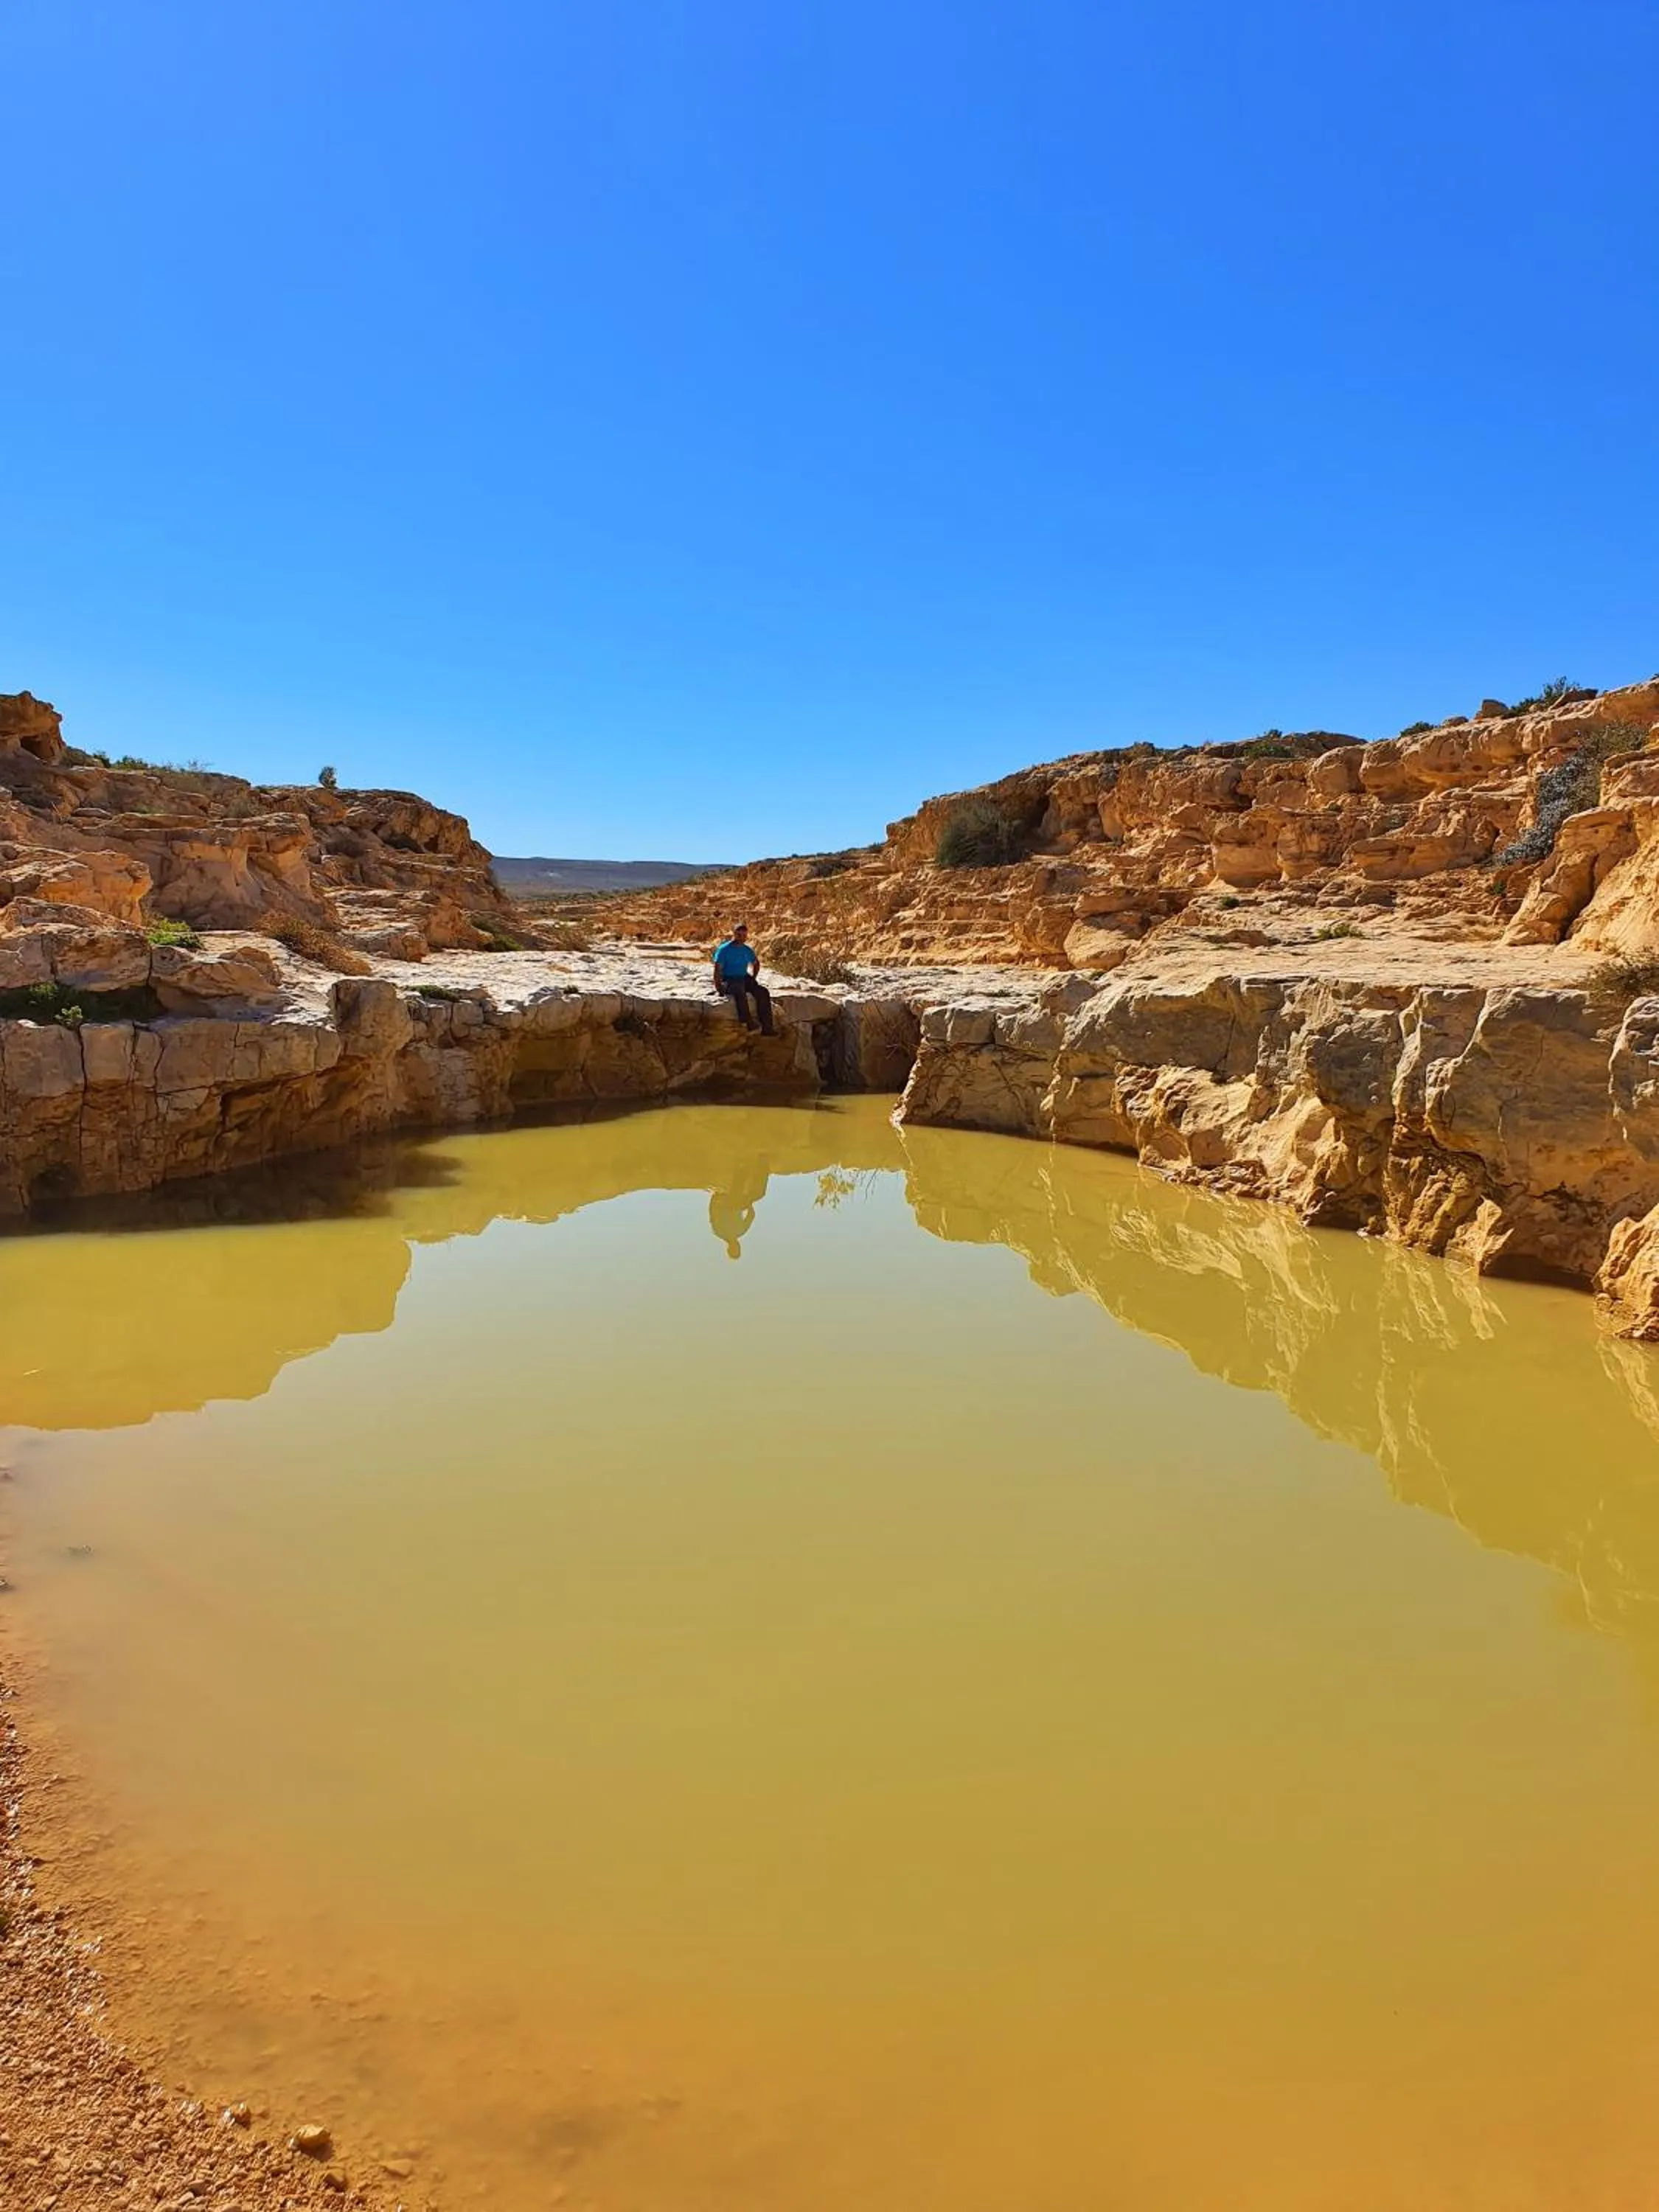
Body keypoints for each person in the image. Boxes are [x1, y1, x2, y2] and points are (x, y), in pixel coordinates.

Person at [711, 925, 775, 1036]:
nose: (741, 938)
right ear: (734, 934)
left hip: (743, 977)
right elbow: (717, 969)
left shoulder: (747, 950)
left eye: (744, 935)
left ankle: (767, 1027)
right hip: (728, 979)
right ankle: (748, 1021)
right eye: (739, 935)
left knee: (763, 992)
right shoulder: (724, 950)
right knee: (739, 990)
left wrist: (753, 978)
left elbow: (756, 963)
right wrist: (718, 987)